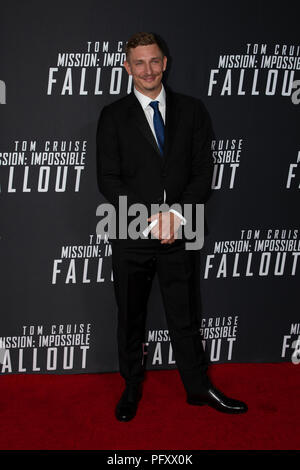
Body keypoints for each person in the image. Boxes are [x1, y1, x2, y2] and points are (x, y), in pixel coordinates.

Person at [96, 32, 247, 421]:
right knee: (130, 316)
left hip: (183, 229)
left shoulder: (194, 111)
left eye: (154, 60)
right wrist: (150, 219)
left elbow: (202, 175)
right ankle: (131, 388)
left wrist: (176, 217)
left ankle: (198, 388)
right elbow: (108, 180)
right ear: (127, 68)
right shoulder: (112, 116)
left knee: (186, 315)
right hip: (132, 232)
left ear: (166, 63)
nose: (148, 69)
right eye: (139, 63)